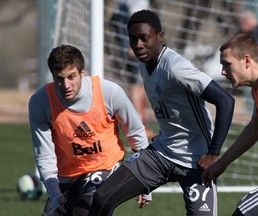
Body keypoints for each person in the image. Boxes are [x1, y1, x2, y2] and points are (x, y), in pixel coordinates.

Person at [89, 10, 235, 216]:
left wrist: (213, 153)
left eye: (144, 38)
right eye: (133, 39)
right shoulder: (143, 64)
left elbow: (225, 101)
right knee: (102, 197)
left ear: (160, 36)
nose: (138, 44)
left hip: (196, 162)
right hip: (160, 154)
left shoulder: (176, 68)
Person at [28, 44, 149, 216]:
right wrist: (55, 194)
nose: (66, 85)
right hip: (67, 175)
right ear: (52, 77)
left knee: (84, 210)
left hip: (105, 167)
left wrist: (145, 181)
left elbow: (136, 133)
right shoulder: (40, 102)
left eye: (72, 77)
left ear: (82, 73)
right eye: (60, 79)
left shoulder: (109, 92)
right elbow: (44, 155)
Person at [201, 33, 258, 215]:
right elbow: (255, 127)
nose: (223, 71)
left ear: (246, 60)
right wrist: (222, 163)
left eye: (227, 64)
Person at [110, 0, 155, 138]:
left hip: (133, 44)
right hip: (137, 46)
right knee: (137, 86)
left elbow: (114, 20)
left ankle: (140, 125)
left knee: (140, 85)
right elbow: (135, 18)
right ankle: (139, 127)